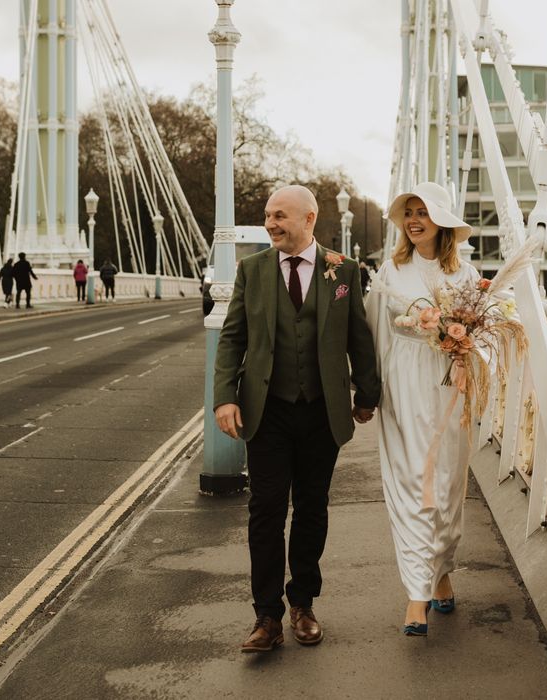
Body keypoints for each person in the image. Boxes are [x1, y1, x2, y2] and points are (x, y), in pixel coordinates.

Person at [214, 185, 380, 653]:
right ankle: (266, 616)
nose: (271, 223)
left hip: (321, 413)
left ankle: (302, 603)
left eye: (280, 216)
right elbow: (232, 338)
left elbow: (358, 336)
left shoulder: (343, 270)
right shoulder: (252, 270)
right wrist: (225, 397)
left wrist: (367, 394)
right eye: (268, 215)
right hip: (267, 413)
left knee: (312, 508)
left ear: (309, 218)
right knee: (265, 510)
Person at [365, 182, 477, 637]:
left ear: (441, 222)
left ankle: (442, 571)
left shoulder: (466, 276)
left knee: (447, 484)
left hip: (449, 384)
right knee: (413, 481)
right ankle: (417, 593)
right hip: (404, 384)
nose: (413, 220)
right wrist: (368, 392)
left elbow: (482, 333)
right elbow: (376, 332)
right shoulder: (390, 271)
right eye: (408, 212)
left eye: (422, 212)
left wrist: (462, 343)